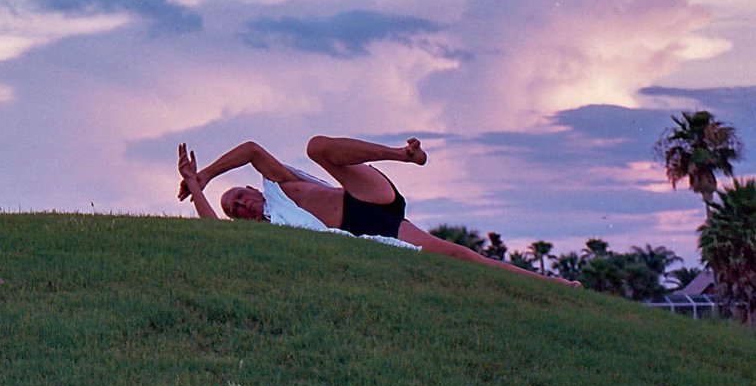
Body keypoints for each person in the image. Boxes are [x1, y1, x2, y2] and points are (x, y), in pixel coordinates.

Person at [177, 136, 559, 278]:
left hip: (364, 196)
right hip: (369, 227)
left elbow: (250, 149)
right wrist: (196, 189)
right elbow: (213, 228)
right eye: (234, 210)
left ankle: (404, 154)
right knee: (458, 254)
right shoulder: (274, 231)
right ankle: (552, 283)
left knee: (317, 148)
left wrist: (207, 174)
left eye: (239, 196)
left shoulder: (277, 183)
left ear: (249, 187)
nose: (241, 204)